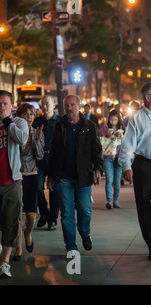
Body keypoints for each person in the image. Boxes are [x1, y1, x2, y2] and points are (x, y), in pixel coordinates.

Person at [119, 81, 151, 261]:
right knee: (145, 206)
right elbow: (127, 145)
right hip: (143, 165)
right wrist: (126, 166)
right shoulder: (136, 118)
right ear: (147, 98)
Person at [47, 95, 103, 258]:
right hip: (64, 177)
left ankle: (85, 234)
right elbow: (54, 151)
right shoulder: (59, 126)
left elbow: (96, 149)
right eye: (66, 105)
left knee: (85, 211)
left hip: (84, 176)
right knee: (67, 213)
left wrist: (98, 168)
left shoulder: (89, 126)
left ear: (78, 106)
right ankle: (71, 246)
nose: (69, 108)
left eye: (72, 105)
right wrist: (51, 175)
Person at [0, 90, 29, 278]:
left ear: (12, 106)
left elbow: (22, 139)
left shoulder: (19, 122)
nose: (1, 107)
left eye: (5, 103)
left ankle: (5, 262)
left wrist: (6, 122)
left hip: (12, 181)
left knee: (11, 222)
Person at [14, 103, 44, 260]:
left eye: (32, 114)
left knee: (31, 216)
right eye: (26, 114)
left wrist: (37, 140)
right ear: (20, 116)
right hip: (17, 176)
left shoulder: (36, 132)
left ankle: (28, 233)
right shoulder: (15, 132)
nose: (29, 117)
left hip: (32, 174)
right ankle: (18, 248)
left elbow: (40, 156)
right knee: (18, 215)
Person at [33, 95, 61, 230]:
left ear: (54, 105)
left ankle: (52, 219)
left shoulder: (60, 121)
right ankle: (44, 213)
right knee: (38, 188)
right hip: (39, 159)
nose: (45, 106)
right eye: (43, 104)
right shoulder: (37, 121)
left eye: (48, 103)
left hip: (55, 159)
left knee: (54, 191)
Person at [99, 109, 124, 209]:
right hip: (108, 156)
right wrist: (106, 133)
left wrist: (122, 137)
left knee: (117, 180)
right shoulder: (105, 127)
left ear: (119, 120)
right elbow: (99, 138)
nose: (113, 122)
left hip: (119, 156)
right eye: (111, 120)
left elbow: (127, 140)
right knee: (109, 179)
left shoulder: (122, 128)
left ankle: (115, 200)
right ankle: (109, 201)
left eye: (115, 120)